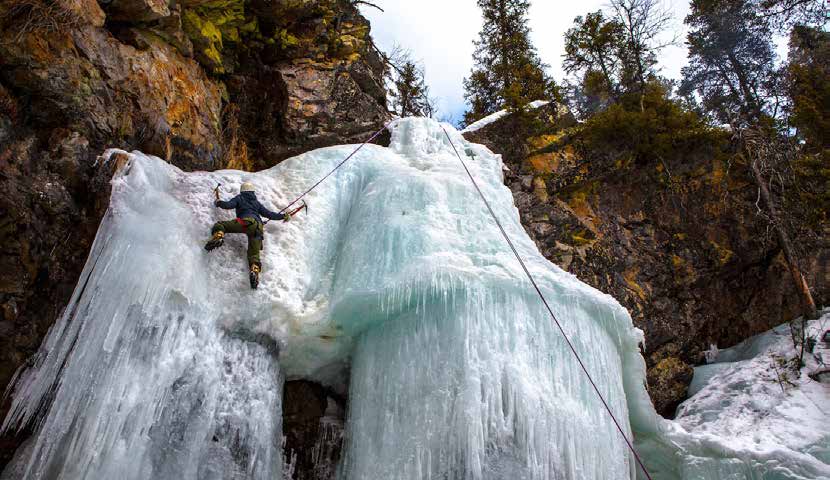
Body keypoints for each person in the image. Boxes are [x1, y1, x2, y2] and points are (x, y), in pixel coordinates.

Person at [205, 182, 290, 289]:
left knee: (221, 225)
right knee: (254, 255)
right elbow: (270, 214)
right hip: (258, 228)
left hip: (246, 222)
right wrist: (283, 216)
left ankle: (219, 235)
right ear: (252, 191)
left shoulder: (240, 198)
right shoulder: (256, 203)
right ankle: (254, 270)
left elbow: (228, 205)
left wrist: (218, 202)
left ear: (242, 191)